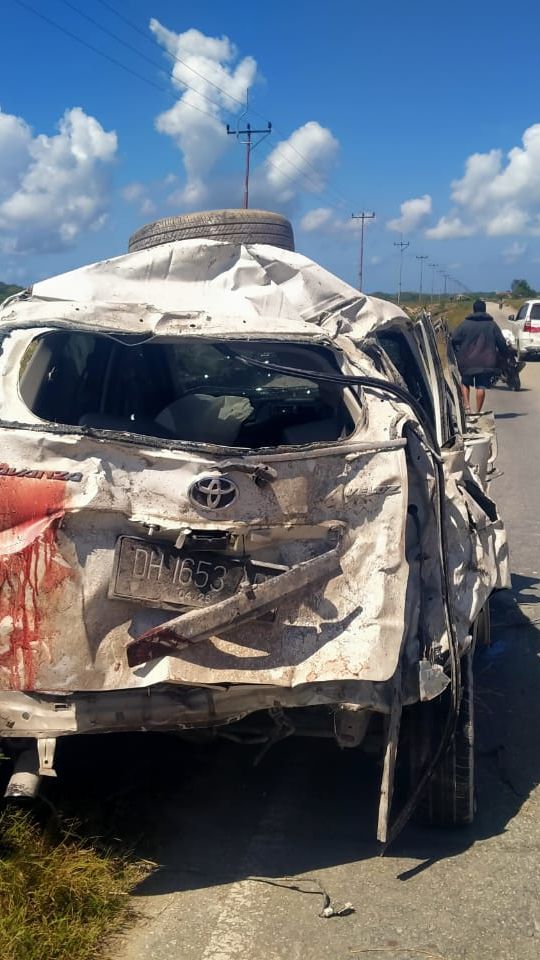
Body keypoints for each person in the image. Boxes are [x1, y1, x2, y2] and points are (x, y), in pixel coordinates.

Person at [451, 299, 511, 413]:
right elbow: (501, 343)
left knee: (465, 382)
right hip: (486, 361)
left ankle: (467, 407)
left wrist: (458, 352)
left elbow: (454, 339)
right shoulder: (492, 325)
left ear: (473, 310)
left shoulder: (465, 324)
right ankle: (478, 412)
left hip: (467, 360)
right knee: (481, 386)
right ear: (484, 309)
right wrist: (505, 355)